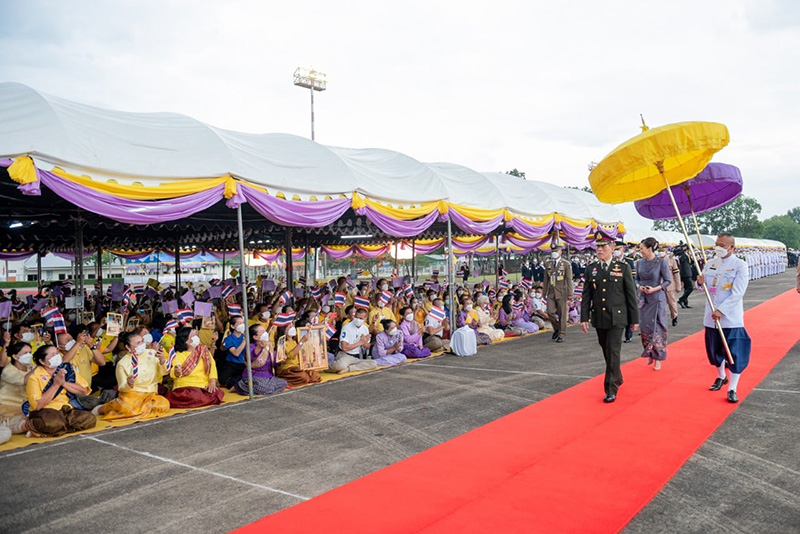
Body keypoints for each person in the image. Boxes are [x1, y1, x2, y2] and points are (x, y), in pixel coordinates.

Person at [580, 237, 639, 403]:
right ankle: (617, 376)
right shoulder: (592, 269)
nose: (599, 250)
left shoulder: (623, 267)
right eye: (597, 247)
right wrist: (584, 317)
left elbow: (631, 295)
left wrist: (634, 319)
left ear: (612, 248)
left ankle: (610, 388)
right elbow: (586, 295)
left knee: (613, 350)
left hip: (618, 317)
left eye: (603, 247)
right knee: (606, 349)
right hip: (599, 316)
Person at [697, 233, 751, 403]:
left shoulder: (740, 265)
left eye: (723, 245)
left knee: (734, 353)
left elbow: (738, 293)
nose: (719, 247)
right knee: (714, 351)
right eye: (717, 244)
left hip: (730, 318)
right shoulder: (711, 263)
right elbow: (703, 289)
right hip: (711, 316)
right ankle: (721, 376)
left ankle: (733, 387)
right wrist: (699, 282)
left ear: (732, 247)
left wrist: (722, 310)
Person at [93, 332, 170, 420]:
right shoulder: (123, 363)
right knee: (128, 409)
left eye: (142, 341)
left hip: (151, 394)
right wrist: (129, 384)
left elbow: (164, 373)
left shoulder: (152, 353)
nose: (142, 345)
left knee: (163, 404)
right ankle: (103, 408)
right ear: (128, 347)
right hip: (131, 397)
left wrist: (162, 361)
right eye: (138, 343)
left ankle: (141, 411)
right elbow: (122, 387)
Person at [24, 344, 96, 437]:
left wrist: (64, 383)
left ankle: (57, 429)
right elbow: (37, 405)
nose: (57, 356)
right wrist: (55, 385)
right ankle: (33, 425)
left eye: (57, 353)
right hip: (46, 412)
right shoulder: (34, 377)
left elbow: (84, 391)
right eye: (52, 355)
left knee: (89, 418)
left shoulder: (67, 369)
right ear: (42, 361)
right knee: (53, 423)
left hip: (65, 409)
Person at [635, 238, 672, 371]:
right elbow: (636, 279)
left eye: (642, 248)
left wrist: (655, 289)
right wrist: (639, 287)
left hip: (657, 298)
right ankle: (650, 352)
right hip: (644, 299)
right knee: (645, 328)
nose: (640, 251)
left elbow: (667, 281)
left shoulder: (661, 262)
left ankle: (658, 358)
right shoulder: (639, 263)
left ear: (649, 248)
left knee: (658, 328)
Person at [165, 326, 224, 408]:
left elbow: (212, 366)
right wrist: (177, 372)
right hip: (186, 387)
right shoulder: (179, 355)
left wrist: (212, 383)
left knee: (218, 393)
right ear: (186, 341)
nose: (197, 337)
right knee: (193, 395)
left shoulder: (203, 350)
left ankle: (199, 400)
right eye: (193, 335)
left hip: (203, 386)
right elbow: (175, 371)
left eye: (196, 334)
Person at [234, 324, 288, 395]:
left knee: (283, 383)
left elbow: (274, 362)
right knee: (266, 389)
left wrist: (280, 359)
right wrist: (259, 347)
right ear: (255, 337)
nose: (265, 333)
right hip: (254, 376)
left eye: (265, 331)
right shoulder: (250, 346)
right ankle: (242, 386)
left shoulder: (269, 346)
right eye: (262, 332)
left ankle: (265, 389)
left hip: (268, 376)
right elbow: (251, 357)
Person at [329, 308, 378, 373]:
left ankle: (349, 369)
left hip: (357, 356)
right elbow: (344, 348)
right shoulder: (347, 327)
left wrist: (366, 342)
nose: (358, 320)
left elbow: (366, 346)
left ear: (365, 319)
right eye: (356, 317)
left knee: (373, 363)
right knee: (340, 365)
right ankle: (330, 367)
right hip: (345, 355)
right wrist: (360, 342)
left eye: (361, 318)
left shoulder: (365, 328)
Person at [276, 319, 324, 385]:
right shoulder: (282, 343)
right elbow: (291, 355)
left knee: (315, 375)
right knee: (304, 377)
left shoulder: (295, 339)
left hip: (299, 366)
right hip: (288, 368)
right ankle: (283, 379)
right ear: (284, 331)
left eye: (292, 326)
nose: (292, 328)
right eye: (289, 327)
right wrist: (301, 342)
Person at [542, 244, 574, 343]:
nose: (554, 253)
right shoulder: (548, 264)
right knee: (550, 311)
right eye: (552, 251)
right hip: (551, 291)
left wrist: (570, 293)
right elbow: (546, 279)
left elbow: (569, 280)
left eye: (556, 251)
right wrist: (544, 292)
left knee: (562, 313)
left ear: (560, 252)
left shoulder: (565, 264)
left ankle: (562, 333)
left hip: (562, 291)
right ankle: (557, 328)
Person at [0, 342, 32, 438]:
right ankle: (27, 427)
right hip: (7, 410)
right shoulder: (8, 370)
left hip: (26, 410)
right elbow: (23, 380)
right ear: (15, 356)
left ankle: (30, 426)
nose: (29, 355)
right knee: (11, 427)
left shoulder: (31, 368)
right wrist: (39, 367)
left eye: (30, 352)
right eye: (25, 353)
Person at [220, 316, 248, 388]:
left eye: (243, 323)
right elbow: (236, 353)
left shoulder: (245, 336)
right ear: (232, 326)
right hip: (231, 365)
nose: (242, 325)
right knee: (223, 381)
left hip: (243, 364)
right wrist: (245, 340)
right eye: (239, 323)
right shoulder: (228, 339)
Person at [665, 249, 682, 327]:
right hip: (658, 286)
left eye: (662, 250)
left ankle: (674, 316)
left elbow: (676, 274)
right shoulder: (656, 261)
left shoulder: (671, 261)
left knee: (671, 303)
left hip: (669, 286)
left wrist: (678, 286)